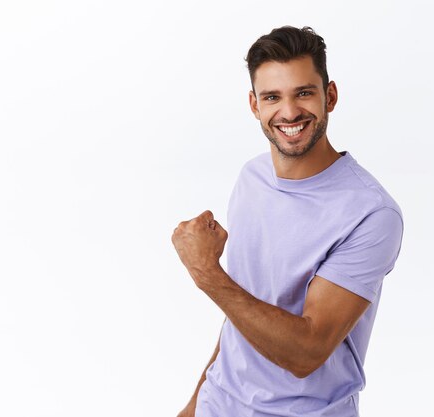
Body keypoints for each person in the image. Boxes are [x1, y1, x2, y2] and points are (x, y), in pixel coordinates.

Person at [171, 26, 404, 417]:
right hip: (219, 405)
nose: (290, 112)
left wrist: (205, 272)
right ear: (254, 105)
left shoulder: (370, 213)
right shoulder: (252, 178)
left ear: (330, 96)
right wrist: (194, 405)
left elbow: (307, 352)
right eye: (272, 97)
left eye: (304, 93)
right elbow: (242, 313)